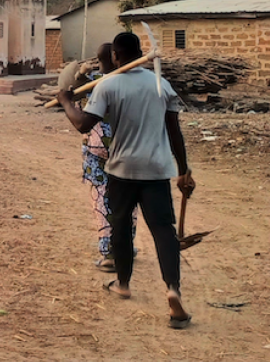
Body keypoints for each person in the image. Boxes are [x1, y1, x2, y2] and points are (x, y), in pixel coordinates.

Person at [57, 31, 196, 329]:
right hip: (157, 170)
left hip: (121, 169)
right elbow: (175, 133)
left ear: (116, 56)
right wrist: (184, 170)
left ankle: (123, 283)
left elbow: (83, 124)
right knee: (164, 231)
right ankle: (173, 290)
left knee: (120, 227)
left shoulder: (108, 86)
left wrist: (66, 102)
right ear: (140, 51)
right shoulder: (162, 85)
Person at [80, 43, 135, 273]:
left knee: (102, 199)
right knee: (128, 201)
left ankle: (109, 253)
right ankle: (125, 248)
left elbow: (79, 117)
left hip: (96, 150)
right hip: (128, 148)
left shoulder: (88, 84)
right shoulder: (130, 83)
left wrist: (77, 82)